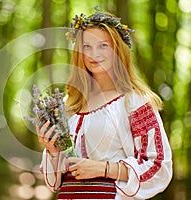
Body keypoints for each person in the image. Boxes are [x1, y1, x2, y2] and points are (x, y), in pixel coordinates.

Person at [37, 6, 173, 200]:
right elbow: (55, 182)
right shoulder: (69, 106)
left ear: (118, 50)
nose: (94, 54)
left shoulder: (134, 102)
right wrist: (52, 149)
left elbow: (158, 166)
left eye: (103, 45)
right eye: (87, 46)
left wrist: (104, 168)